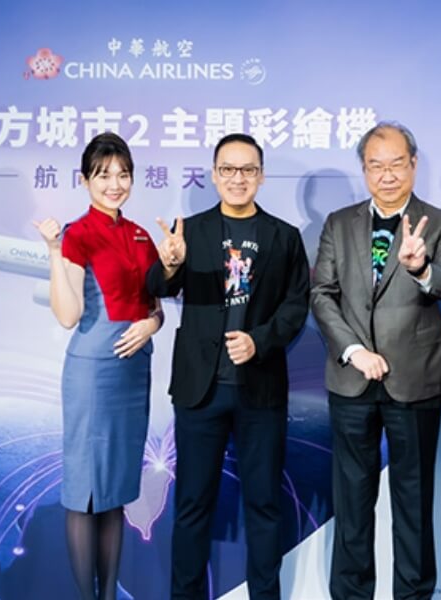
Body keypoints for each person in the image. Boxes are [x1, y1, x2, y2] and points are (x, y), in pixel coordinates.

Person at [146, 133, 310, 600]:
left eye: (248, 170)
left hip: (260, 391)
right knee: (192, 506)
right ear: (215, 176)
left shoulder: (284, 237)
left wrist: (259, 341)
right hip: (200, 390)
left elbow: (296, 307)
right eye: (229, 170)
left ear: (261, 175)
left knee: (264, 506)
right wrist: (170, 265)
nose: (238, 178)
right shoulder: (190, 231)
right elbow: (157, 285)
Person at [311, 121, 441, 600]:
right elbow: (321, 294)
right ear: (364, 169)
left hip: (415, 381)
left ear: (414, 165)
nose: (388, 174)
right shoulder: (339, 223)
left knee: (413, 503)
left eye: (397, 163)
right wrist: (354, 351)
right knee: (352, 504)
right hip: (351, 381)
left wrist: (421, 267)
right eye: (376, 165)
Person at [34, 132, 163, 600]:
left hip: (133, 373)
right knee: (85, 491)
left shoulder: (142, 235)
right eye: (103, 175)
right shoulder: (77, 233)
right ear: (85, 179)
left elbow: (155, 308)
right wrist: (54, 251)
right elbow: (68, 315)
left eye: (123, 175)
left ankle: (108, 594)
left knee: (114, 492)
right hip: (93, 373)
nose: (115, 184)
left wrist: (151, 325)